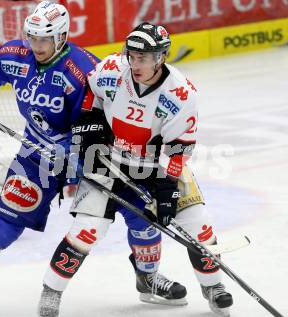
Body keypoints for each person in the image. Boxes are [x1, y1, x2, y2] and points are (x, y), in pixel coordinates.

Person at [38, 22, 233, 317]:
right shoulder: (113, 70)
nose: (134, 63)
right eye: (132, 55)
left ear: (161, 57)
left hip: (155, 165)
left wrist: (166, 191)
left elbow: (178, 148)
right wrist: (90, 127)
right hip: (107, 160)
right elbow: (90, 95)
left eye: (143, 58)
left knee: (198, 223)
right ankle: (50, 293)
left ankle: (213, 286)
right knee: (87, 230)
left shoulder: (181, 94)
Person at [0, 1, 101, 315]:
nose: (36, 46)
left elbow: (100, 119)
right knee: (4, 223)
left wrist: (81, 154)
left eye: (44, 40)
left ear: (61, 37)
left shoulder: (84, 70)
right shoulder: (16, 55)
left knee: (99, 224)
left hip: (89, 156)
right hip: (36, 156)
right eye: (32, 38)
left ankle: (147, 276)